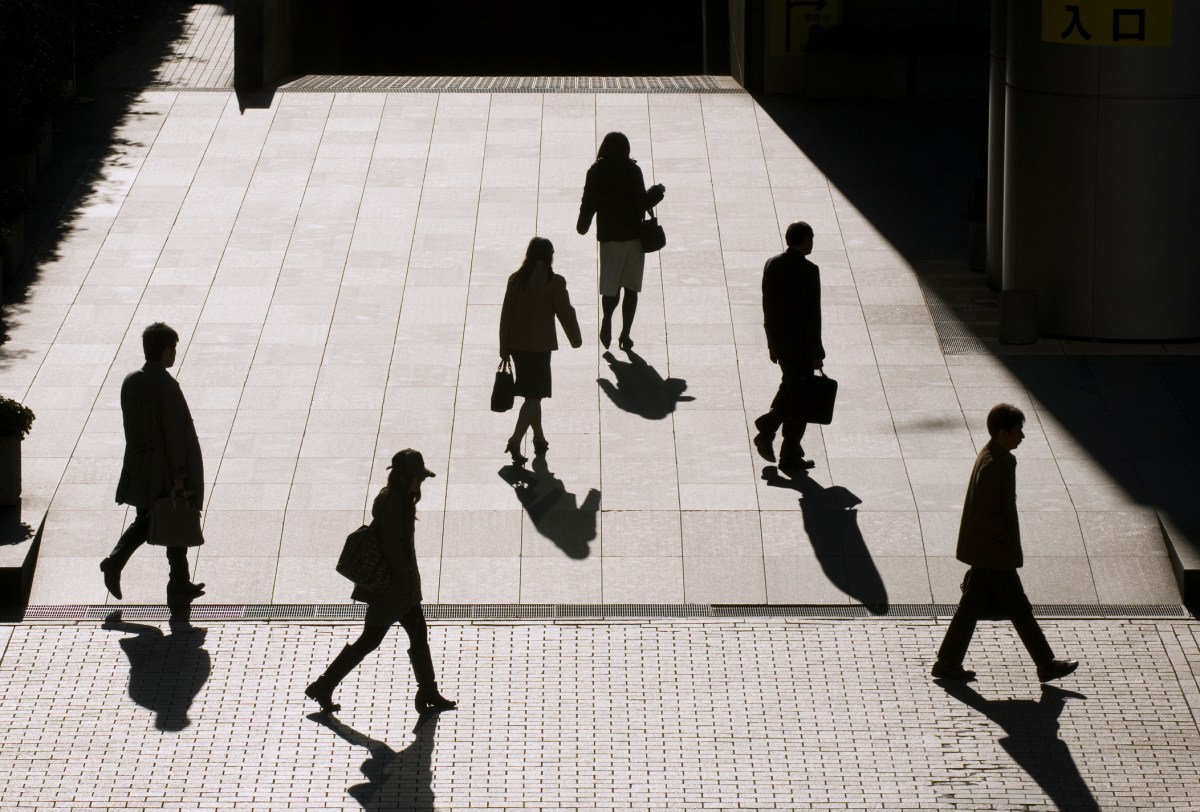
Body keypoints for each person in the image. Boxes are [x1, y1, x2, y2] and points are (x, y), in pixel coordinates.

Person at [931, 404, 1079, 683]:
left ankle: (948, 662)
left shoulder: (991, 455)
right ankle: (1045, 664)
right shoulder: (997, 463)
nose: (1021, 436)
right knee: (1018, 608)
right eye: (1018, 430)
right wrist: (1005, 541)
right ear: (1003, 433)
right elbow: (991, 511)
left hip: (986, 551)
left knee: (974, 607)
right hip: (993, 553)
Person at [306, 449, 456, 714]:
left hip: (402, 588)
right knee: (371, 639)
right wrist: (403, 572)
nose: (420, 482)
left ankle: (428, 691)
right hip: (392, 590)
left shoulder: (400, 499)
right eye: (417, 477)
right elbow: (391, 544)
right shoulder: (395, 503)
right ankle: (323, 685)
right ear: (403, 477)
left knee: (417, 635)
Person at [101, 322, 205, 619]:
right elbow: (174, 433)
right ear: (165, 350)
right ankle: (123, 564)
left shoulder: (131, 381)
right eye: (173, 348)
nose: (175, 353)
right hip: (164, 469)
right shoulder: (167, 386)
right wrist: (180, 473)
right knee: (170, 518)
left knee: (150, 519)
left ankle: (178, 583)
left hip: (139, 465)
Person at [576, 131, 665, 351]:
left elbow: (588, 201)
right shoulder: (632, 170)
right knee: (631, 287)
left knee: (611, 286)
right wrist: (657, 192)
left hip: (608, 238)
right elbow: (641, 201)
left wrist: (583, 224)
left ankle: (607, 319)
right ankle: (625, 334)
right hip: (634, 237)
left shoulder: (595, 171)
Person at [499, 237, 582, 464]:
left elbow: (506, 314)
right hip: (539, 348)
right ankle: (515, 440)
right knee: (536, 395)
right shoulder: (553, 282)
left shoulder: (516, 280)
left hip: (516, 346)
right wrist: (576, 340)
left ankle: (539, 438)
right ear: (549, 256)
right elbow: (566, 312)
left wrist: (503, 347)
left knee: (531, 394)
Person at [753, 221, 824, 470]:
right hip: (802, 345)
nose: (813, 242)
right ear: (804, 239)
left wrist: (771, 342)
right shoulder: (809, 270)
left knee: (791, 391)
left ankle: (787, 448)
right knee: (799, 399)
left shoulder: (772, 264)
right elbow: (812, 316)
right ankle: (772, 432)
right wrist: (817, 352)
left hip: (781, 344)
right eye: (811, 237)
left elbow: (768, 307)